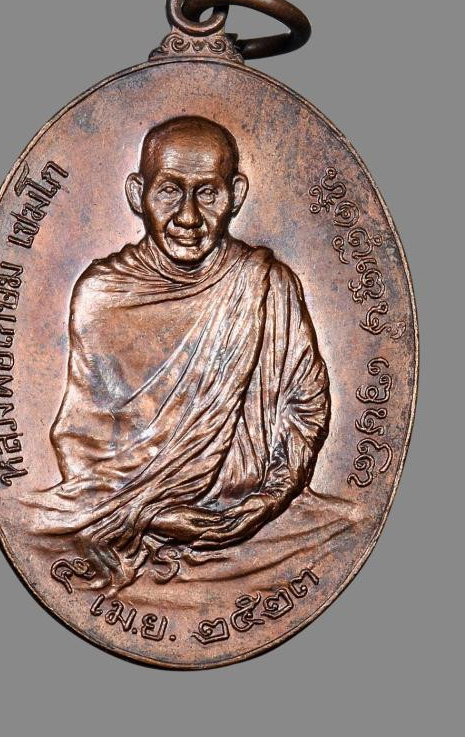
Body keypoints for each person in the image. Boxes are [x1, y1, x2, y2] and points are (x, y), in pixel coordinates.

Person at [26, 116, 334, 593]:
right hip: (128, 519)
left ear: (236, 195)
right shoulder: (102, 296)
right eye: (169, 190)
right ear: (137, 195)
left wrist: (266, 502)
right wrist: (151, 514)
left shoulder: (266, 285)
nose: (188, 217)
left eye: (207, 193)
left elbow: (305, 407)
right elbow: (83, 441)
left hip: (257, 516)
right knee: (32, 528)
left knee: (346, 524)